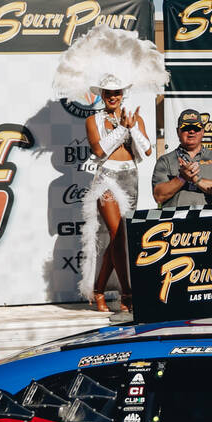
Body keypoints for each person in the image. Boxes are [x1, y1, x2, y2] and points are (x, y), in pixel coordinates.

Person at [81, 74, 152, 313]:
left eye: (117, 93)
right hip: (107, 179)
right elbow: (100, 151)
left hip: (130, 178)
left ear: (123, 94)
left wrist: (132, 127)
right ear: (101, 95)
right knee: (117, 234)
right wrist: (122, 128)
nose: (113, 97)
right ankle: (128, 294)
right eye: (108, 93)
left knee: (119, 239)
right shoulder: (93, 120)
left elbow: (148, 150)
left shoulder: (135, 118)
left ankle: (99, 290)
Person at [152, 109, 212, 209]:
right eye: (186, 128)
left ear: (203, 131)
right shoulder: (165, 160)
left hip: (209, 219)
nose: (191, 131)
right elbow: (158, 196)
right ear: (178, 131)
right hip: (176, 219)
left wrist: (196, 180)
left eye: (196, 128)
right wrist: (181, 178)